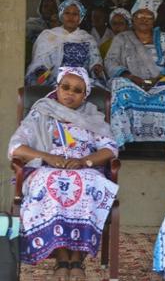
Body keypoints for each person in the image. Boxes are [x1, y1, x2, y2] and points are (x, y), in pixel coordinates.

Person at [8, 67, 119, 280]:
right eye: (65, 87)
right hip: (45, 167)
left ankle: (77, 259)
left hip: (84, 169)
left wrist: (84, 161)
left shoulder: (92, 117)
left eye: (77, 90)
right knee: (49, 182)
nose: (70, 93)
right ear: (57, 88)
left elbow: (110, 149)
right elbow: (16, 148)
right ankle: (61, 258)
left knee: (91, 183)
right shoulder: (42, 112)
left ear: (85, 95)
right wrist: (48, 157)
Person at [104, 0, 165, 146]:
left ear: (154, 20)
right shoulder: (122, 38)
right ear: (133, 18)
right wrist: (129, 76)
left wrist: (156, 80)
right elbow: (110, 61)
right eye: (140, 16)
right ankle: (123, 139)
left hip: (159, 83)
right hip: (130, 82)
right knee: (119, 87)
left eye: (149, 17)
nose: (144, 20)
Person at [25, 0, 104, 88]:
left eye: (75, 14)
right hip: (54, 82)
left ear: (80, 17)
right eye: (67, 13)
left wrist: (96, 67)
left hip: (81, 83)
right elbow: (39, 61)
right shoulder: (48, 36)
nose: (71, 17)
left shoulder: (88, 39)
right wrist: (41, 71)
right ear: (61, 16)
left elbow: (95, 60)